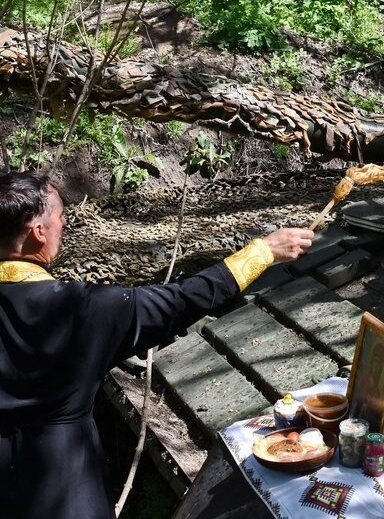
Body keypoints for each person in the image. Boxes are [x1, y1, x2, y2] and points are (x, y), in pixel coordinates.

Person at [0, 171, 315, 519]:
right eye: (60, 217)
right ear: (38, 232)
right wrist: (264, 251)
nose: (64, 225)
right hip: (65, 488)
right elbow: (180, 300)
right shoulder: (82, 309)